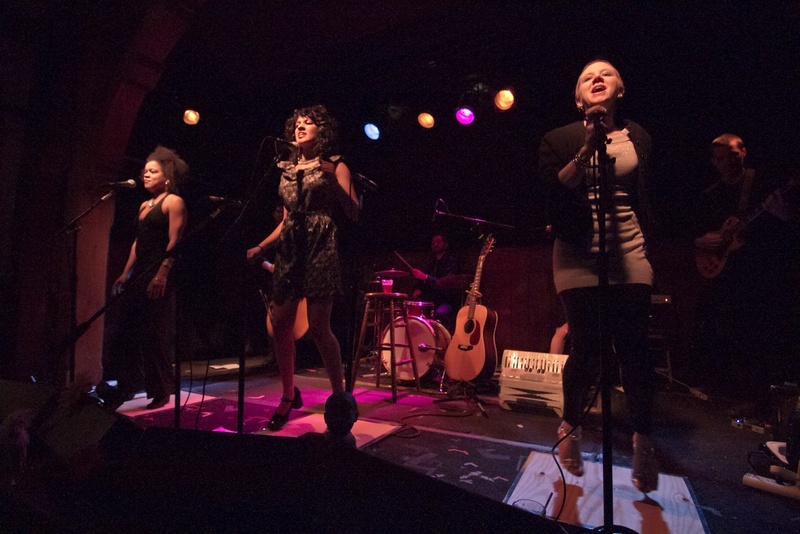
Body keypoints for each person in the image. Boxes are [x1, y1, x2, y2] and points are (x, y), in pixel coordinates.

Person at [538, 59, 659, 493]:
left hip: (628, 249)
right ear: (578, 97)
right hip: (575, 253)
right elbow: (556, 186)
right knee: (586, 346)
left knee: (633, 347)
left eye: (606, 74)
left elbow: (647, 194)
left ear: (619, 91)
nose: (597, 78)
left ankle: (643, 439)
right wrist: (587, 146)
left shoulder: (638, 137)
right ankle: (570, 428)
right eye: (587, 76)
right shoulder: (559, 139)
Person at [246, 105, 359, 431]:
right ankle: (288, 393)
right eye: (296, 123)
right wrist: (263, 246)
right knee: (280, 324)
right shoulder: (285, 169)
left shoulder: (335, 165)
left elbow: (353, 211)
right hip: (291, 250)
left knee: (319, 327)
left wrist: (332, 178)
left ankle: (339, 400)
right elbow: (289, 220)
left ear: (320, 130)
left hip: (321, 246)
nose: (300, 126)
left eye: (308, 122)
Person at [693, 134, 799, 416]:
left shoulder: (762, 184)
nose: (724, 161)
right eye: (717, 157)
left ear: (743, 153)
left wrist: (784, 214)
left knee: (761, 333)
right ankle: (731, 393)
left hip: (761, 272)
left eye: (729, 154)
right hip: (728, 276)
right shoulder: (711, 195)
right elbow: (692, 232)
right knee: (727, 330)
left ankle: (763, 400)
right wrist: (702, 241)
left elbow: (788, 226)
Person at [100, 146, 188, 410]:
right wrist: (125, 272)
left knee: (154, 333)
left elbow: (176, 240)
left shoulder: (173, 202)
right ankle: (128, 384)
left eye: (153, 171)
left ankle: (161, 389)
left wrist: (162, 273)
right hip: (140, 273)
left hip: (159, 271)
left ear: (167, 177)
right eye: (145, 171)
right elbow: (138, 243)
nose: (145, 175)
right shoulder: (142, 205)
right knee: (127, 329)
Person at [410, 233, 460, 332]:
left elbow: (444, 283)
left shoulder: (451, 261)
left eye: (438, 242)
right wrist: (418, 289)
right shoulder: (431, 261)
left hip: (446, 300)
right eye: (433, 242)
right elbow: (423, 281)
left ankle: (442, 342)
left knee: (441, 313)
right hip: (430, 301)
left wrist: (425, 277)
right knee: (415, 314)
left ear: (445, 244)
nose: (435, 244)